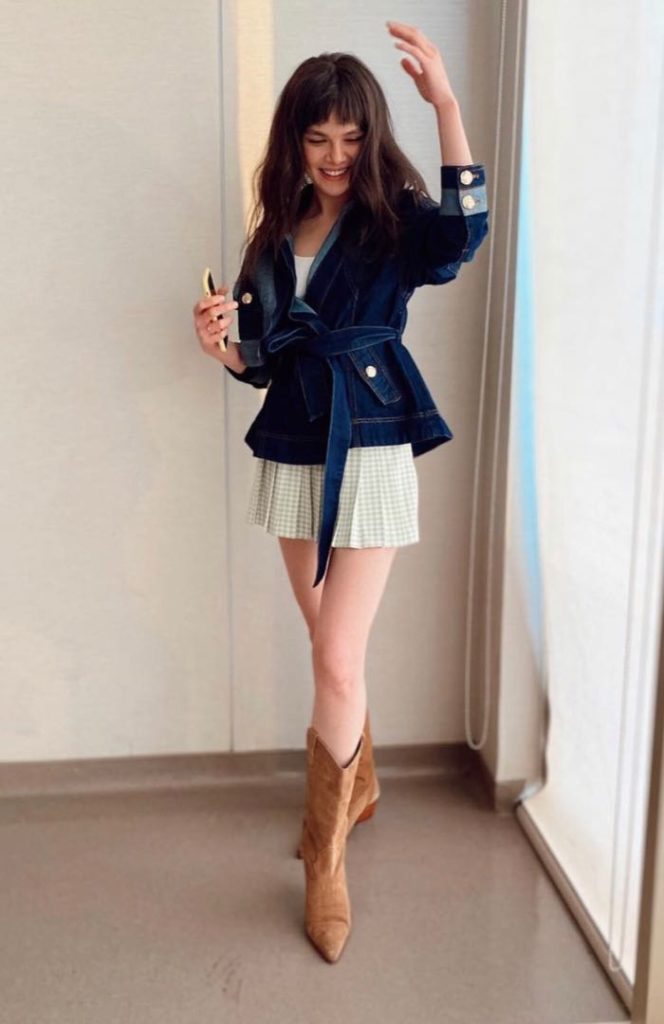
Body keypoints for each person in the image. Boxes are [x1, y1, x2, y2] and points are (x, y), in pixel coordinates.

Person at [192, 21, 489, 964]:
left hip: (371, 439)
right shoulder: (274, 232)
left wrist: (446, 103)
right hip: (294, 443)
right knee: (330, 646)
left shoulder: (394, 218)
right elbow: (262, 361)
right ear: (295, 140)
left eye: (351, 138)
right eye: (318, 137)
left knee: (334, 657)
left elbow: (464, 234)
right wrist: (221, 345)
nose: (334, 156)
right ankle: (359, 784)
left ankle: (324, 857)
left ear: (371, 137)